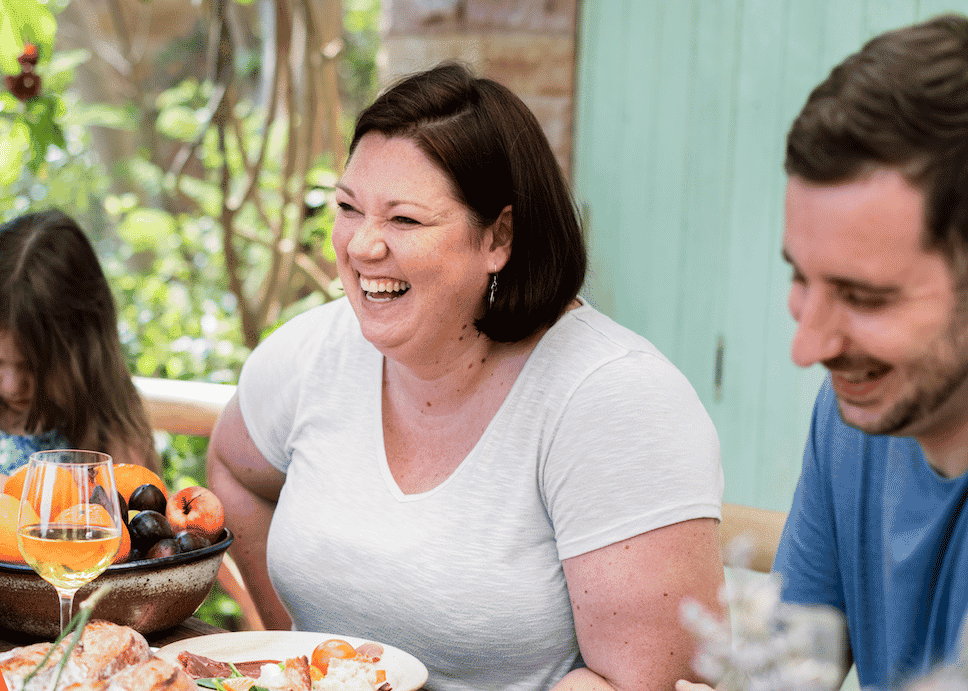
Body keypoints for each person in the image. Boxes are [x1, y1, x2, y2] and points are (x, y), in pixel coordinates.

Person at [207, 62, 725, 691]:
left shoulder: (616, 401)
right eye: (348, 208)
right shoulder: (313, 352)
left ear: (498, 237)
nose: (362, 246)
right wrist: (295, 654)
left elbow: (642, 684)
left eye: (404, 220)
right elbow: (236, 468)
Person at [678, 13, 968, 691]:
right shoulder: (856, 417)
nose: (809, 345)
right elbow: (782, 680)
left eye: (864, 297)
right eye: (801, 278)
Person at [0, 209, 160, 480]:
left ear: (84, 351)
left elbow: (129, 515)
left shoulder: (112, 434)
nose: (11, 386)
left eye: (34, 367)